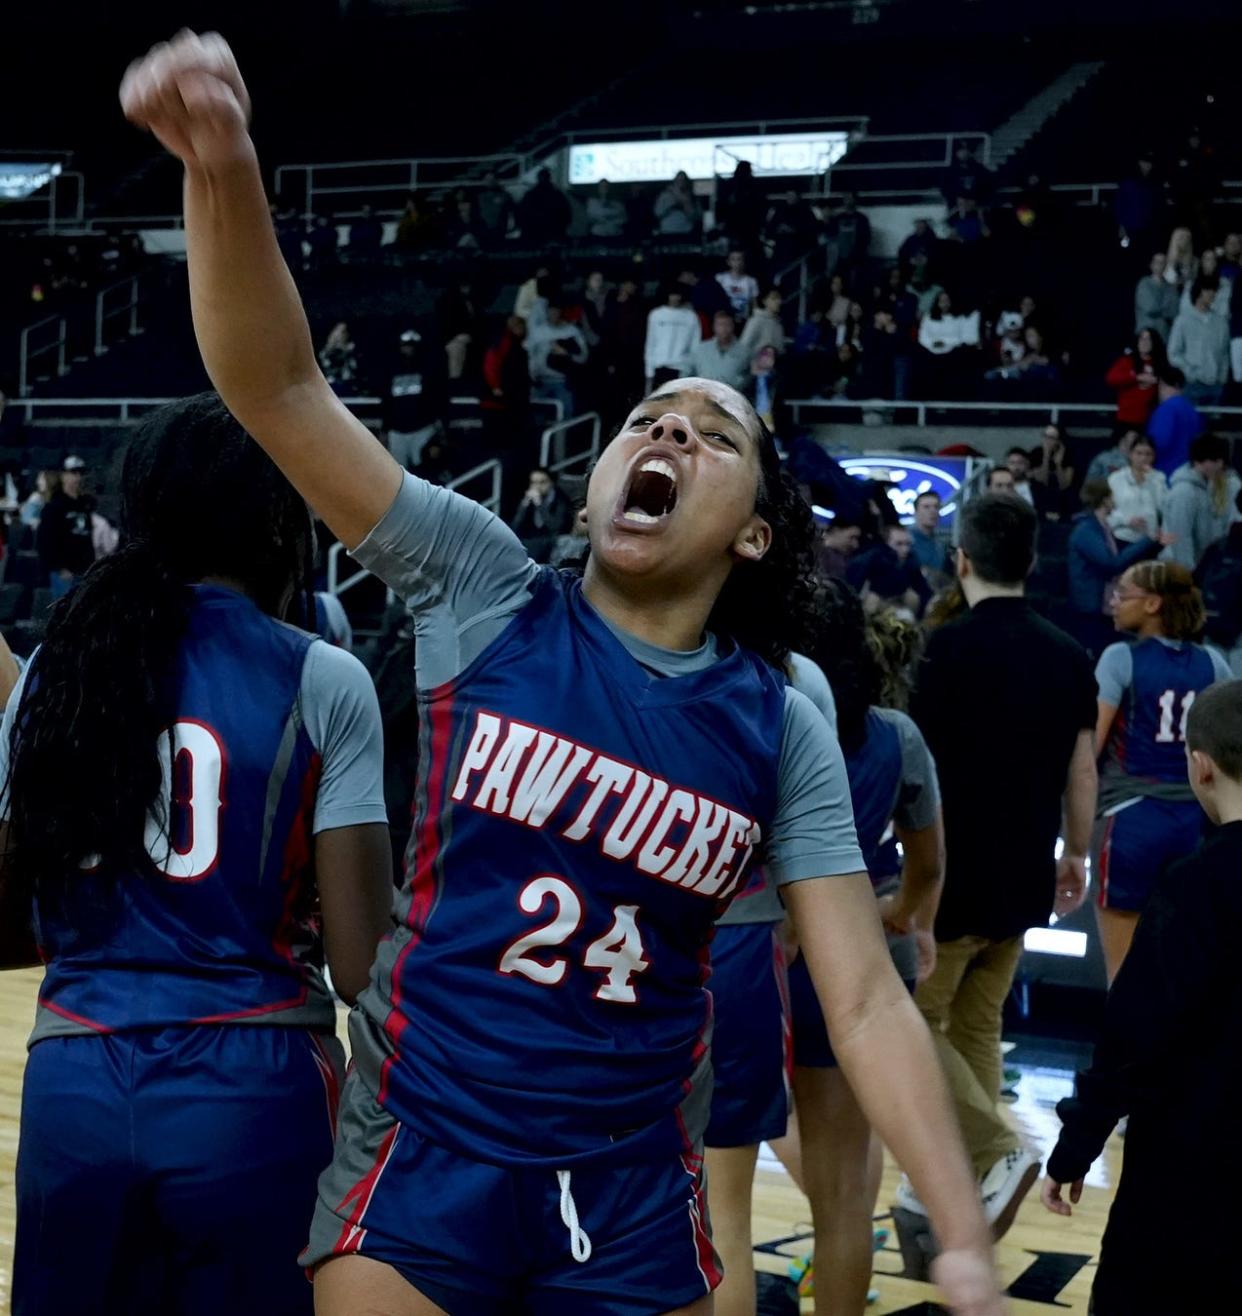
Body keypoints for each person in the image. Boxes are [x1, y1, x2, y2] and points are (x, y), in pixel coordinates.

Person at [121, 32, 1008, 1316]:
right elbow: (279, 384)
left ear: (757, 528)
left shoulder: (780, 718)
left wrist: (964, 1224)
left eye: (714, 433)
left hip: (632, 1184)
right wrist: (223, 167)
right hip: (422, 1153)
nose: (667, 431)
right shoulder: (486, 585)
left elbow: (864, 995)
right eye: (651, 417)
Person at [0, 394, 392, 1314]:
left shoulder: (58, 666)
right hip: (254, 1091)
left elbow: (7, 923)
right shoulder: (321, 674)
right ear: (274, 520)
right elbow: (358, 962)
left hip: (75, 1086)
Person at [908, 493, 1098, 1238]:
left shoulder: (943, 648)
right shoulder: (1069, 652)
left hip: (953, 872)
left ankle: (995, 1152)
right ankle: (974, 1180)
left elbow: (916, 774)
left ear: (961, 560)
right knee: (977, 1029)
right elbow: (1082, 773)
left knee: (913, 1022)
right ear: (1031, 561)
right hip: (1026, 869)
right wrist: (1076, 852)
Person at [1041, 680, 1242, 1316]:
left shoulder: (1196, 884)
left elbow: (1137, 1033)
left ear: (1200, 766)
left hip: (1192, 1168)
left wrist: (1078, 1145)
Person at [781, 582, 944, 1314]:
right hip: (857, 955)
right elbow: (929, 864)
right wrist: (905, 915)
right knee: (846, 1191)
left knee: (714, 1181)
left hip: (764, 953)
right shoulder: (894, 734)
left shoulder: (762, 711)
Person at [702, 648, 839, 1316]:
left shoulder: (608, 644)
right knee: (725, 1209)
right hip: (744, 935)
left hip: (623, 939)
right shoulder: (799, 681)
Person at [1091, 560, 1230, 983]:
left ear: (1152, 604)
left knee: (1123, 972)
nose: (1114, 601)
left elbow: (1091, 746)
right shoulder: (1215, 664)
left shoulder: (1120, 658)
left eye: (1124, 593)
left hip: (1132, 819)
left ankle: (1123, 1049)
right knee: (1182, 966)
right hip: (1195, 824)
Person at [1067, 480, 1168, 660]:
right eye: (1112, 497)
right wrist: (1146, 540)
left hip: (1101, 606)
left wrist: (1154, 545)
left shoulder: (1101, 528)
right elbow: (1110, 563)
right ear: (1104, 500)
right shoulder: (1086, 530)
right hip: (1090, 608)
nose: (1114, 501)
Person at [1161, 431, 1232, 571]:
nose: (1220, 467)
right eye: (1217, 461)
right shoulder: (1184, 492)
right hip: (1178, 570)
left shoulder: (1204, 489)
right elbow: (1180, 536)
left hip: (1197, 566)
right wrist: (1187, 573)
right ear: (1202, 460)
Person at [385, 329, 447, 472]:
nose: (408, 349)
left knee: (425, 473)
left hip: (422, 429)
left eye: (412, 346)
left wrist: (438, 434)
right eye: (405, 346)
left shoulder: (430, 370)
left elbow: (438, 400)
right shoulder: (391, 370)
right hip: (397, 430)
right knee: (398, 476)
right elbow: (387, 401)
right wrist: (385, 429)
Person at [36, 455, 95, 597]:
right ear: (63, 475)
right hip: (64, 573)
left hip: (84, 570)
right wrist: (59, 568)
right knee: (64, 613)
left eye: (80, 473)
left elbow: (86, 536)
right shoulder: (54, 506)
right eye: (73, 473)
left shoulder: (83, 505)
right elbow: (45, 541)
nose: (78, 477)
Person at [850, 524, 933, 618]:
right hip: (878, 599)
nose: (905, 549)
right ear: (886, 543)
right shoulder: (874, 558)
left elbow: (923, 588)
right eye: (899, 544)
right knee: (872, 601)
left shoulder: (911, 560)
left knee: (913, 597)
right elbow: (856, 586)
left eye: (908, 544)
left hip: (902, 600)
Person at [1168, 279, 1229, 407]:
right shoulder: (1183, 320)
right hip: (1192, 385)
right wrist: (1190, 372)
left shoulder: (1221, 322)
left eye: (1214, 290)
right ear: (1199, 293)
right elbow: (1173, 352)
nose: (1212, 294)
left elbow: (1224, 353)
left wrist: (1221, 377)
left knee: (1214, 425)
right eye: (1208, 290)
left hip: (1215, 386)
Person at [527, 302, 588, 416]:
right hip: (539, 383)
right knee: (536, 417)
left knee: (564, 416)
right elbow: (528, 356)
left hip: (563, 383)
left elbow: (583, 357)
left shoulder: (571, 331)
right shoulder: (537, 332)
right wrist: (531, 375)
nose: (553, 314)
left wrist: (566, 353)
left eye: (556, 311)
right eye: (550, 311)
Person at [1107, 434, 1167, 544]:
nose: (1143, 458)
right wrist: (1126, 521)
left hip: (1149, 540)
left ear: (1153, 457)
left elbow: (1164, 508)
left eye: (1148, 454)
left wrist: (1151, 481)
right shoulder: (1116, 478)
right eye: (1139, 453)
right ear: (1130, 455)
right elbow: (1107, 511)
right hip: (1122, 537)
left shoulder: (1159, 478)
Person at [1147, 365, 1204, 478]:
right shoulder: (1192, 410)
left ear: (1162, 384)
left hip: (1166, 473)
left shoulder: (1166, 409)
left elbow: (1159, 442)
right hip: (1190, 472)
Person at [509, 466, 573, 564]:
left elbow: (555, 526)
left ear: (551, 483)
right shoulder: (529, 500)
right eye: (534, 483)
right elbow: (515, 527)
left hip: (553, 540)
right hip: (534, 541)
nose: (537, 487)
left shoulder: (560, 499)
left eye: (542, 482)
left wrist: (540, 505)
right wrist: (523, 506)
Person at [643, 285, 701, 391]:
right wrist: (649, 371)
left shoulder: (691, 316)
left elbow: (695, 346)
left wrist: (690, 371)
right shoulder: (656, 314)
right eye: (672, 294)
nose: (675, 298)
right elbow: (650, 343)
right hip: (659, 367)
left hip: (681, 369)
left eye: (678, 295)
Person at [1104, 329, 1164, 429]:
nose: (1144, 342)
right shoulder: (1127, 361)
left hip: (1152, 418)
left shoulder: (1161, 363)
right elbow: (1111, 378)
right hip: (1127, 418)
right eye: (1142, 339)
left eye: (1148, 339)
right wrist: (1136, 377)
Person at [689, 310, 749, 389]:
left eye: (727, 325)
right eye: (720, 325)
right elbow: (687, 374)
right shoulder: (700, 349)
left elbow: (749, 378)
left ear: (733, 326)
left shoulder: (745, 351)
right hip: (703, 395)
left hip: (732, 395)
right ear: (714, 326)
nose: (724, 328)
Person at [516, 168, 571, 246]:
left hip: (533, 233)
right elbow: (566, 214)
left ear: (538, 178)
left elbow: (521, 213)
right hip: (553, 234)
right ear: (549, 178)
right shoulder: (557, 195)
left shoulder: (530, 195)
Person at [1133, 252, 1178, 339]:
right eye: (1157, 262)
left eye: (1163, 262)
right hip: (1146, 335)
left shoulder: (1170, 288)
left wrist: (1162, 310)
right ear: (1151, 264)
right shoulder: (1144, 283)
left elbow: (1174, 311)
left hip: (1164, 336)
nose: (1160, 265)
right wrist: (1165, 309)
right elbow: (1150, 307)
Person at [910, 490, 949, 575]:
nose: (932, 511)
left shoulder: (941, 545)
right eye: (926, 507)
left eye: (936, 507)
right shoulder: (905, 540)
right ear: (915, 512)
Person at [738, 288, 785, 359]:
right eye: (774, 298)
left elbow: (780, 350)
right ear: (764, 301)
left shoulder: (778, 324)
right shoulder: (756, 320)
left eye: (779, 298)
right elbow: (743, 347)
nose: (778, 301)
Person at [716, 249, 759, 324]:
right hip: (725, 322)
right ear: (728, 262)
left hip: (744, 321)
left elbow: (754, 305)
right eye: (733, 259)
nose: (737, 263)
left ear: (743, 262)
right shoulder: (720, 279)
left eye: (739, 259)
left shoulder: (751, 281)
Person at [653, 170, 701, 238]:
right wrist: (672, 205)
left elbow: (696, 216)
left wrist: (685, 203)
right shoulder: (664, 196)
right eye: (679, 180)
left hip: (686, 232)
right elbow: (657, 213)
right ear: (675, 181)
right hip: (667, 231)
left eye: (683, 180)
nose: (681, 182)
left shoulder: (692, 197)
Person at [319, 321, 359, 390]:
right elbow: (327, 364)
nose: (344, 335)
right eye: (342, 332)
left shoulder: (350, 348)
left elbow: (354, 366)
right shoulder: (327, 351)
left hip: (347, 382)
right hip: (331, 382)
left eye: (345, 332)